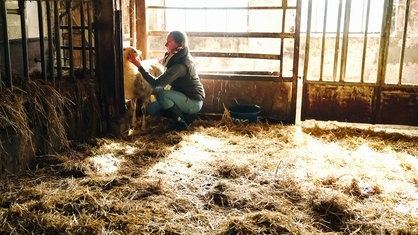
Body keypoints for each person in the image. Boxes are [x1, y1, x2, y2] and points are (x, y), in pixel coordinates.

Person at [128, 30, 205, 131]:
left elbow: (156, 84)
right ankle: (180, 115)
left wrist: (139, 66)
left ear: (178, 44)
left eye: (169, 42)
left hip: (193, 101)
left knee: (162, 95)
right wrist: (160, 61)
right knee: (151, 109)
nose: (165, 44)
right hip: (182, 95)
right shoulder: (179, 54)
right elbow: (167, 60)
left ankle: (181, 122)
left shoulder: (180, 66)